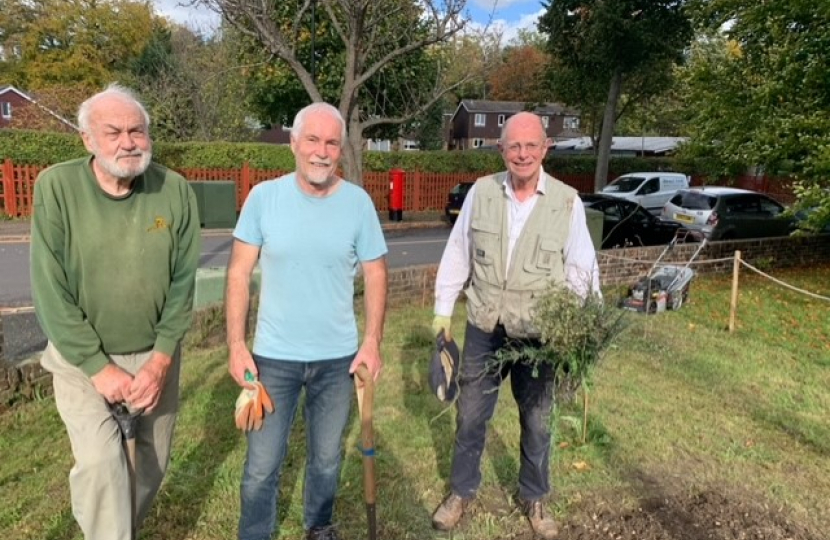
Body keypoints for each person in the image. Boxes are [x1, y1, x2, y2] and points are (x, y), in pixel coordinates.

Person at [30, 83, 201, 540]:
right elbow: (50, 288)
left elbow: (184, 282)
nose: (129, 142)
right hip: (80, 360)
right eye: (114, 132)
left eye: (137, 130)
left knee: (149, 466)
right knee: (104, 467)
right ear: (87, 138)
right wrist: (97, 367)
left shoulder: (175, 190)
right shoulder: (57, 186)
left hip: (153, 360)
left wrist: (162, 358)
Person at [430, 111, 601, 539]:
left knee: (539, 420)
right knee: (471, 416)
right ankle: (461, 491)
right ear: (501, 150)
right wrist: (443, 309)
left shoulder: (566, 201)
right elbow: (458, 252)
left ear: (545, 149)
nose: (521, 154)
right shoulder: (482, 194)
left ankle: (535, 496)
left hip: (540, 334)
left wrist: (583, 329)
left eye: (530, 145)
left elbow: (582, 270)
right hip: (485, 327)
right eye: (513, 146)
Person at [226, 102, 388, 540]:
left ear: (341, 148)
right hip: (272, 360)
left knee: (327, 459)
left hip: (338, 360)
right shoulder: (264, 198)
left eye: (331, 142)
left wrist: (372, 341)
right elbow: (239, 272)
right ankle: (256, 534)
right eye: (312, 140)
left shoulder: (358, 204)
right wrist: (236, 345)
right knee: (261, 467)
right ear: (294, 143)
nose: (321, 151)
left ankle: (319, 525)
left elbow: (375, 273)